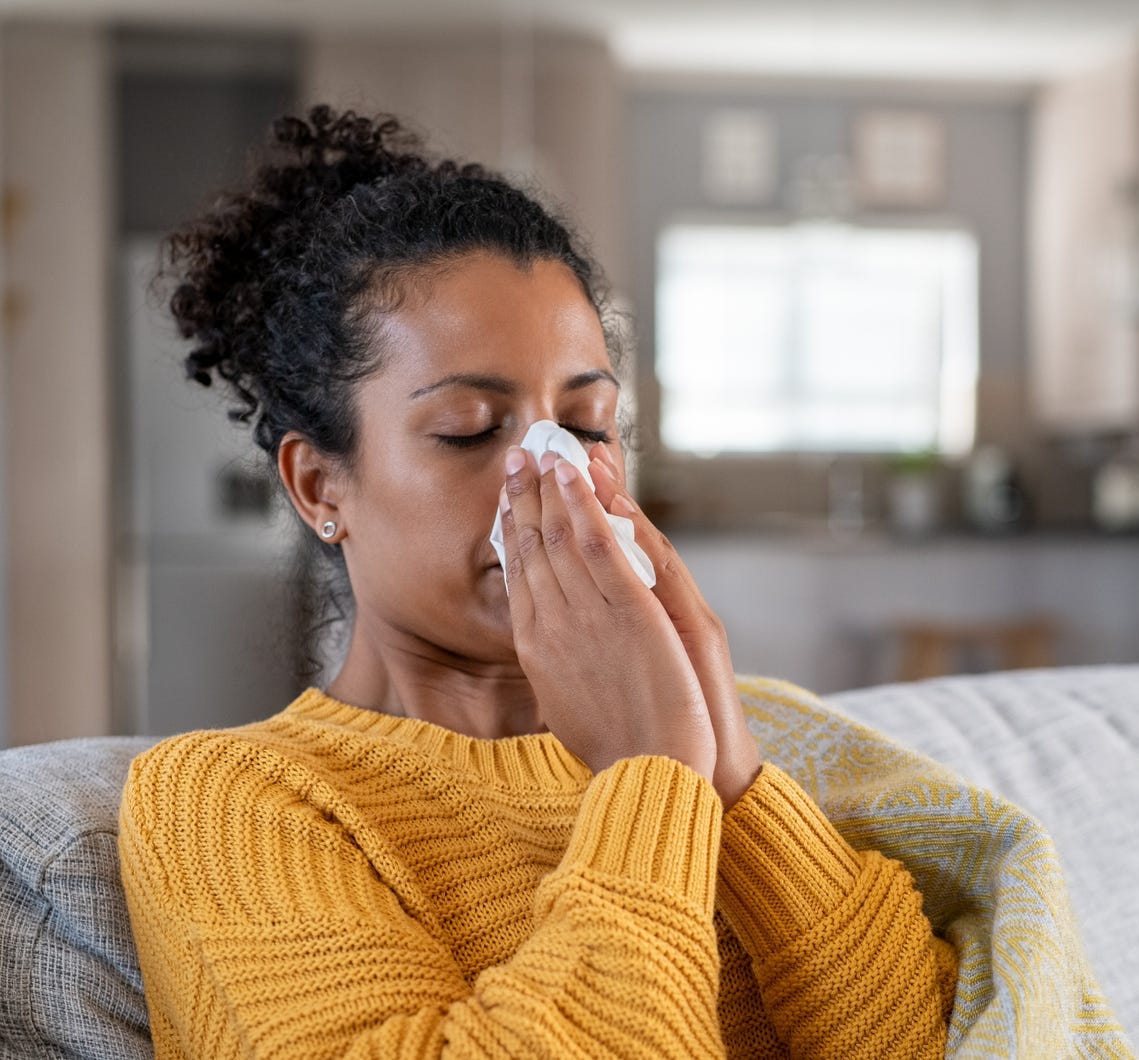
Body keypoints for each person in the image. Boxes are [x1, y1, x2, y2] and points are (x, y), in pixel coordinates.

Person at [116, 104, 957, 1059]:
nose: (555, 477)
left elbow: (924, 1045)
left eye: (590, 426)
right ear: (320, 486)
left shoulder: (718, 735)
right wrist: (653, 778)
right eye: (471, 430)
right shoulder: (234, 801)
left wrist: (732, 778)